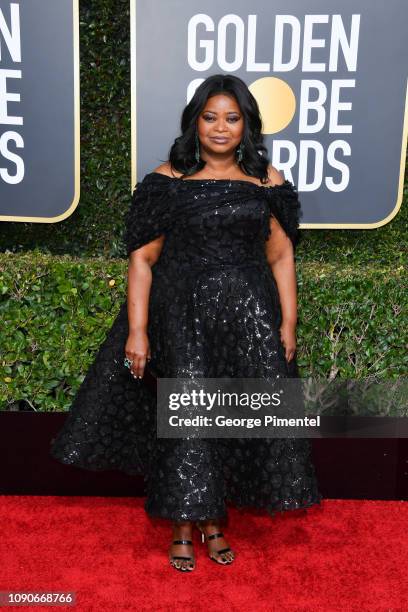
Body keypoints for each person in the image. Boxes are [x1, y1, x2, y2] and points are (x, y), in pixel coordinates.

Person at [50, 73, 322, 572]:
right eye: (210, 117)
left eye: (232, 118)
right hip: (183, 317)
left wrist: (287, 323)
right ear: (195, 122)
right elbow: (142, 261)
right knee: (188, 420)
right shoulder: (165, 181)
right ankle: (182, 525)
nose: (221, 128)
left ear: (247, 126)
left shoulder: (269, 182)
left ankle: (215, 523)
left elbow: (282, 257)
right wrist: (137, 331)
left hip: (249, 320)